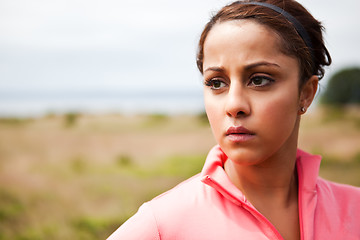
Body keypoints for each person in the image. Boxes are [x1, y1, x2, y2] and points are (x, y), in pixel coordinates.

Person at [107, 0, 360, 239]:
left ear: (306, 93)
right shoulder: (162, 224)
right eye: (216, 83)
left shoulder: (354, 211)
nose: (234, 105)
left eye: (259, 79)